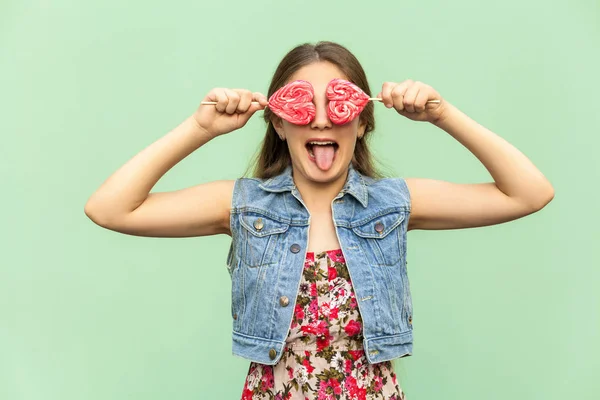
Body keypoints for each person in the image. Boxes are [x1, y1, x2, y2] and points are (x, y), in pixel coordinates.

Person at [84, 41, 554, 399]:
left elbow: (529, 192)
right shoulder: (245, 207)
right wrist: (198, 128)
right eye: (302, 106)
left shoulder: (391, 204)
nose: (323, 120)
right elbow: (109, 208)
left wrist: (443, 115)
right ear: (278, 121)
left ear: (364, 121)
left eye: (340, 104)